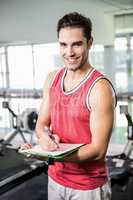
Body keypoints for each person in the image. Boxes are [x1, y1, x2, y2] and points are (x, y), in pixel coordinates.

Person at [23, 12, 117, 200]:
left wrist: (49, 155)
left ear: (89, 43)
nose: (69, 53)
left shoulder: (100, 88)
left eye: (76, 44)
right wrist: (44, 140)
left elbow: (98, 150)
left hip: (87, 186)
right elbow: (41, 124)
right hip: (55, 179)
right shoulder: (52, 79)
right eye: (63, 45)